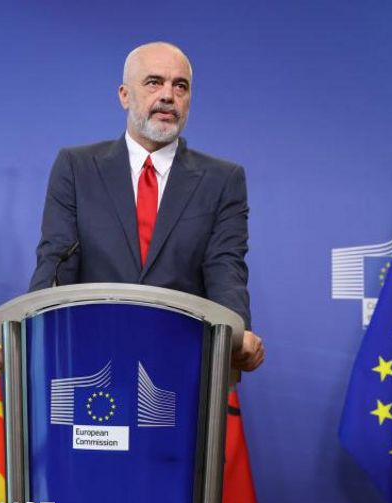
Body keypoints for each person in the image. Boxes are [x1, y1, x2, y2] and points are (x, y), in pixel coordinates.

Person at [28, 41, 264, 371]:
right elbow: (55, 260)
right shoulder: (76, 167)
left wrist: (238, 333)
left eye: (180, 86)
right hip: (89, 359)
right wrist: (29, 332)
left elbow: (225, 268)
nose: (168, 95)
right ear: (124, 95)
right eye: (154, 82)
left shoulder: (223, 179)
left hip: (182, 363)